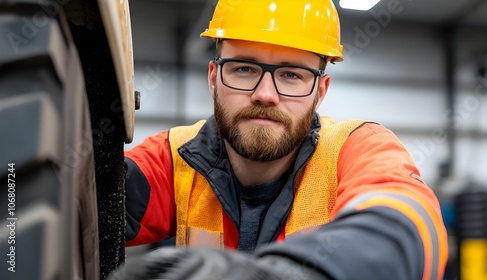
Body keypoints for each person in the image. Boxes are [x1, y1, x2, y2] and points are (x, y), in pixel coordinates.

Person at [108, 0, 448, 279]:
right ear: (214, 77)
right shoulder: (175, 156)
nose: (265, 94)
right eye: (244, 69)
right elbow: (82, 201)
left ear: (320, 91)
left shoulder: (355, 147)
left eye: (291, 75)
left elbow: (412, 225)